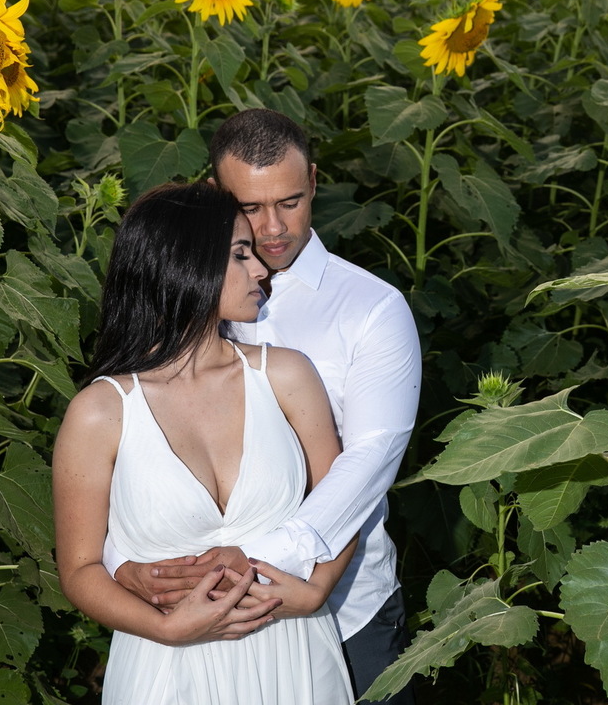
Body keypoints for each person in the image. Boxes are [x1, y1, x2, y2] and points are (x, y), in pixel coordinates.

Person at [104, 109, 423, 702]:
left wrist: (274, 563)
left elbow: (370, 459)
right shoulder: (178, 302)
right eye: (249, 207)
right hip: (196, 616)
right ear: (213, 195)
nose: (273, 228)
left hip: (342, 604)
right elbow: (133, 434)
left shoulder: (370, 309)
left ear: (315, 182)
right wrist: (124, 559)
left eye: (291, 201)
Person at [53, 183, 355, 704]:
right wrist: (167, 630)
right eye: (240, 254)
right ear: (183, 264)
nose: (261, 269)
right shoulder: (100, 412)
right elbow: (80, 571)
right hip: (165, 668)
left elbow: (343, 503)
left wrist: (317, 590)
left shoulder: (286, 375)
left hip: (294, 654)